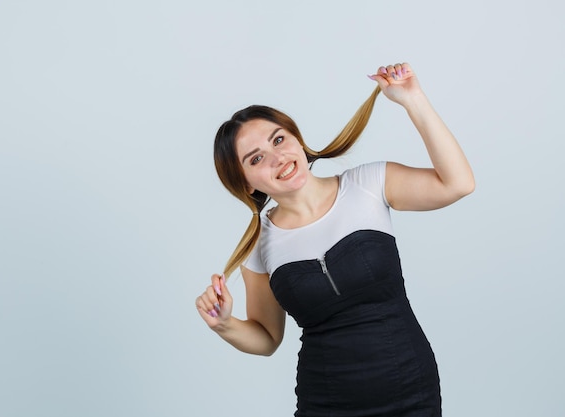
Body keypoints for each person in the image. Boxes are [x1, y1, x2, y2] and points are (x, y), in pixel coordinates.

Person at [195, 62, 474, 416]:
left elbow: (458, 183)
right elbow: (267, 338)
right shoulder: (259, 246)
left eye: (279, 139)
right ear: (246, 182)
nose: (278, 157)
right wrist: (224, 324)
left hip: (410, 390)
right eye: (256, 158)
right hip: (326, 403)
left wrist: (412, 99)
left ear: (296, 138)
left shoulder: (369, 185)